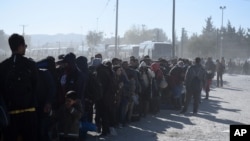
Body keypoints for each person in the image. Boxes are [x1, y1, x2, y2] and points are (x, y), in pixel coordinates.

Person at [0, 33, 39, 141]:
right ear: (21, 46)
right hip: (29, 114)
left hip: (10, 115)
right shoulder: (30, 65)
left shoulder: (3, 66)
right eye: (25, 46)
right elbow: (36, 87)